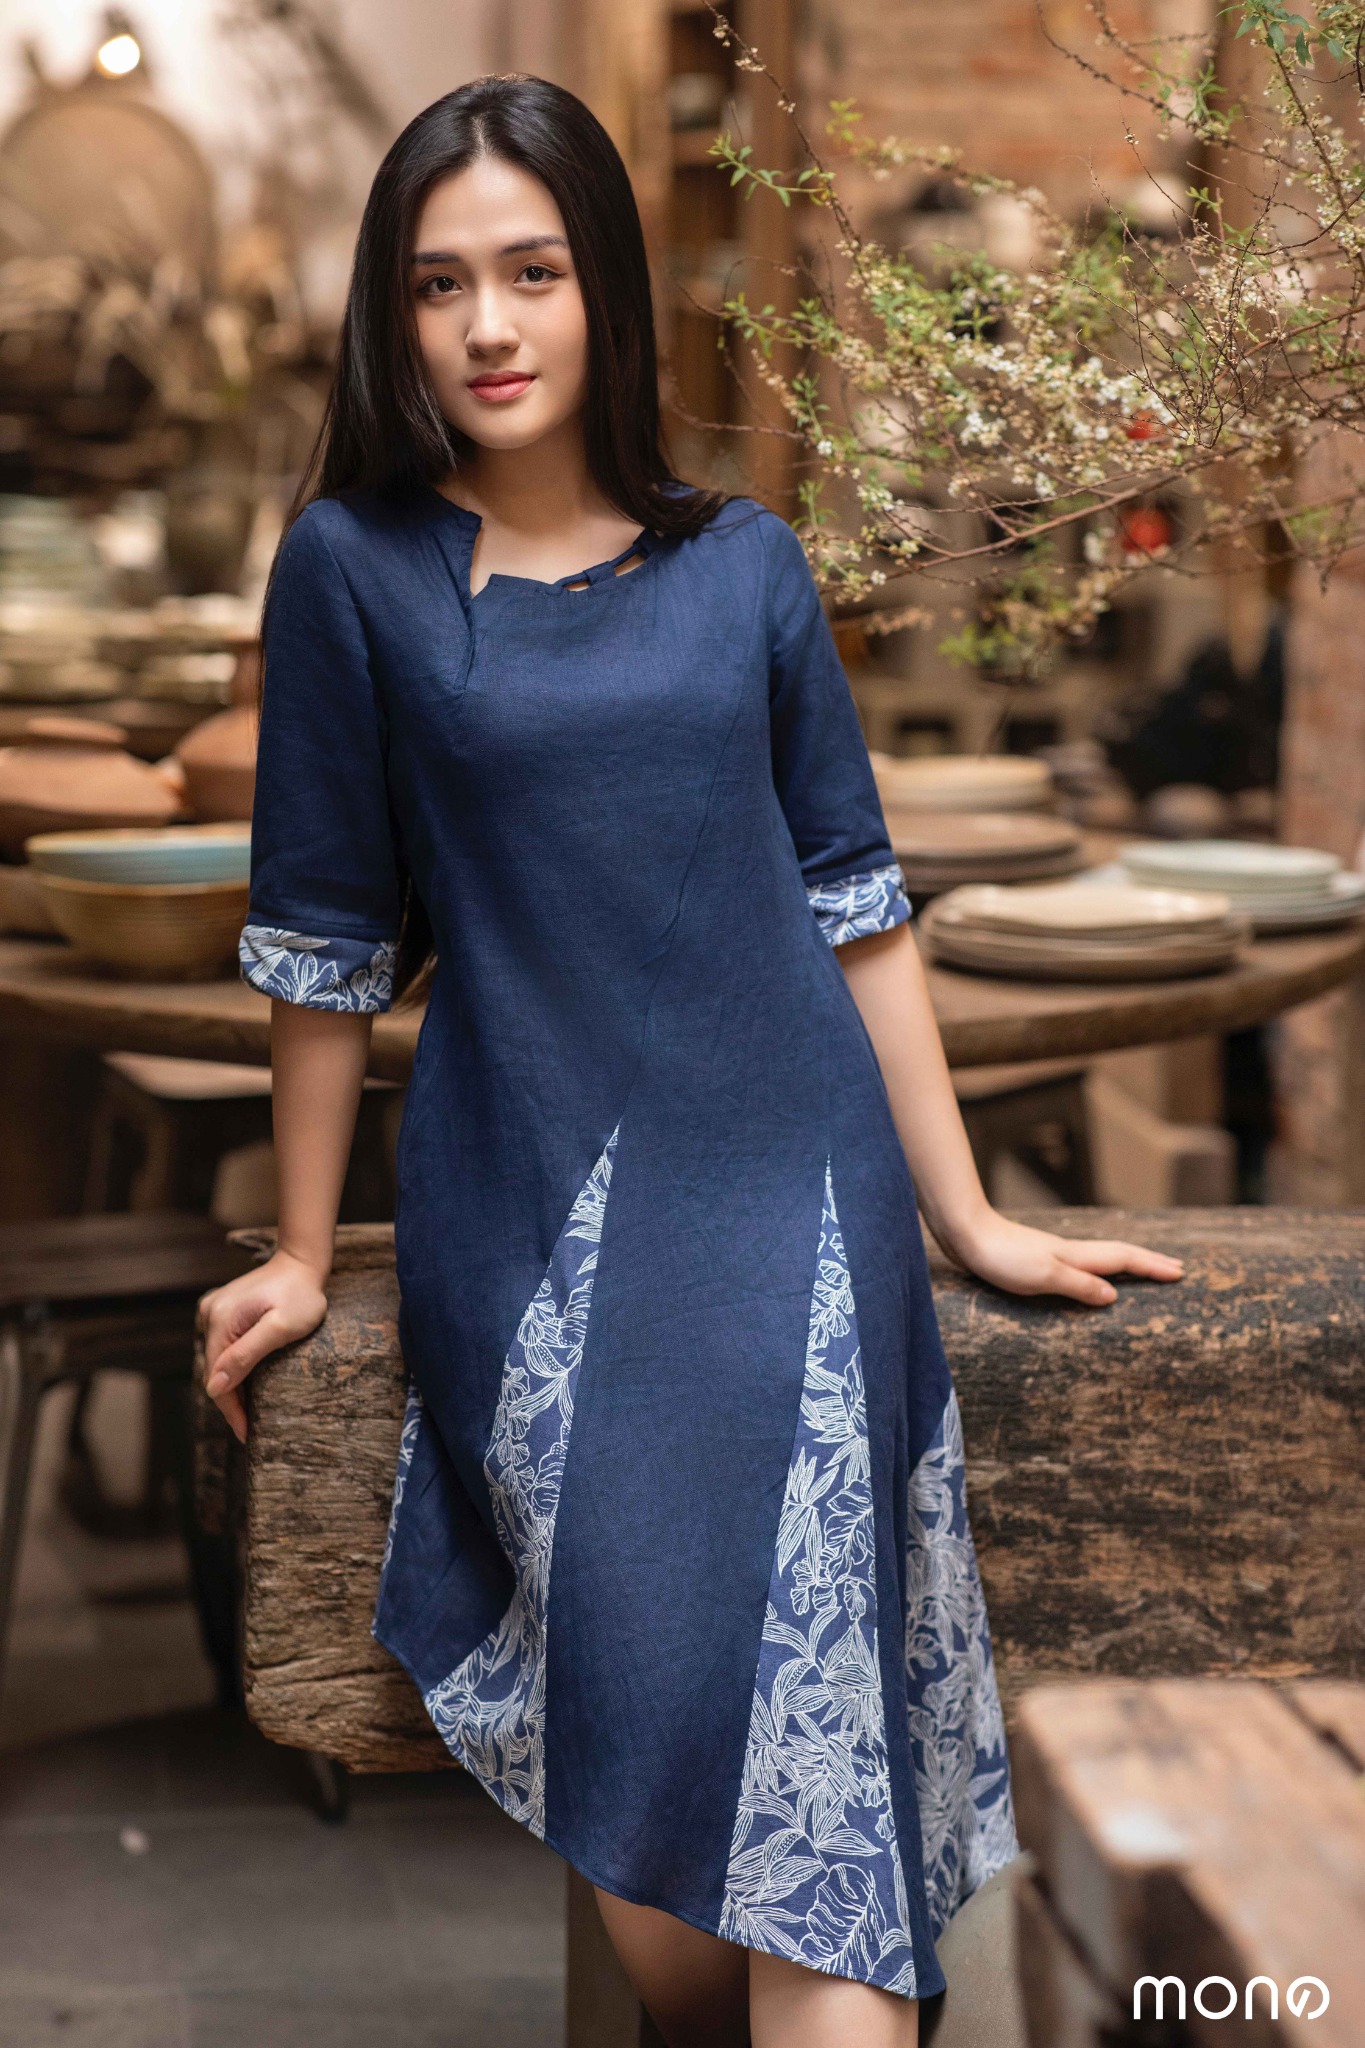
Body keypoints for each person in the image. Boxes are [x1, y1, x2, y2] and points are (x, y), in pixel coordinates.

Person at [198, 74, 1182, 2048]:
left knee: (800, 1873)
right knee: (672, 1870)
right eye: (438, 285)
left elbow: (856, 909)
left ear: (607, 290)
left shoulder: (745, 565)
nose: (487, 326)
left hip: (792, 1199)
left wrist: (966, 1213)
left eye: (533, 272)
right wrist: (303, 1250)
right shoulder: (351, 571)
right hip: (530, 1219)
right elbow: (320, 942)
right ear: (392, 315)